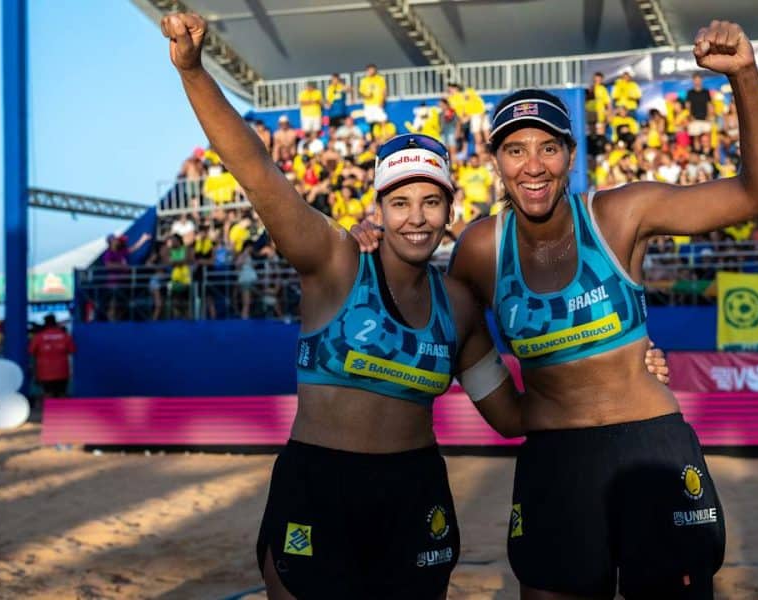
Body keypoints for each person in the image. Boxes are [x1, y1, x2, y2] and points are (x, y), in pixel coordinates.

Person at [161, 12, 672, 598]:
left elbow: (511, 417)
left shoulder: (457, 307)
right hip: (319, 485)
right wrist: (194, 71)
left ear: (450, 210)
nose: (416, 218)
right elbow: (255, 170)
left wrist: (619, 378)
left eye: (431, 201)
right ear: (378, 207)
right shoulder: (334, 263)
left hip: (414, 491)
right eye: (400, 202)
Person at [355, 20, 758, 598]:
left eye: (548, 148)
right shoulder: (482, 249)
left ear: (571, 155)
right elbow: (435, 318)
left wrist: (745, 76)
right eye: (515, 150)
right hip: (555, 461)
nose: (533, 165)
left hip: (649, 446)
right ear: (495, 162)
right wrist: (373, 247)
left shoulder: (621, 214)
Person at [29, 314, 76, 398]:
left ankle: (49, 406)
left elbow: (31, 352)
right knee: (62, 394)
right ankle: (62, 406)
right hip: (62, 371)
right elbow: (72, 350)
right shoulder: (65, 336)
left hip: (44, 372)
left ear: (45, 324)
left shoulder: (38, 337)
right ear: (55, 323)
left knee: (48, 394)